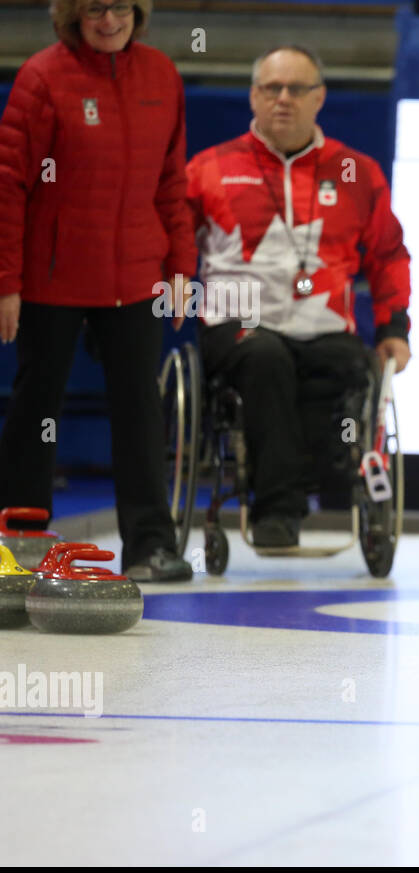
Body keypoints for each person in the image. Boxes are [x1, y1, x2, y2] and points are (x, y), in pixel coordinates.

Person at [186, 45, 412, 548]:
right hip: (239, 324)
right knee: (266, 357)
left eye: (296, 89)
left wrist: (395, 328)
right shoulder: (209, 168)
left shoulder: (357, 172)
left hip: (324, 325)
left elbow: (388, 255)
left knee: (349, 366)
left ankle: (331, 482)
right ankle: (277, 510)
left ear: (320, 98)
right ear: (253, 96)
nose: (282, 99)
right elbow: (174, 246)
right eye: (271, 88)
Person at [0, 0, 194, 581]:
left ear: (137, 11)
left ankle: (151, 547)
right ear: (71, 18)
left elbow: (171, 180)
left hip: (134, 276)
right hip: (52, 277)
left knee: (139, 410)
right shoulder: (43, 76)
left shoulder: (161, 74)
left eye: (116, 8)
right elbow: (8, 186)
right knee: (38, 409)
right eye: (91, 11)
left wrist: (180, 268)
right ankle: (21, 543)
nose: (107, 21)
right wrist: (7, 282)